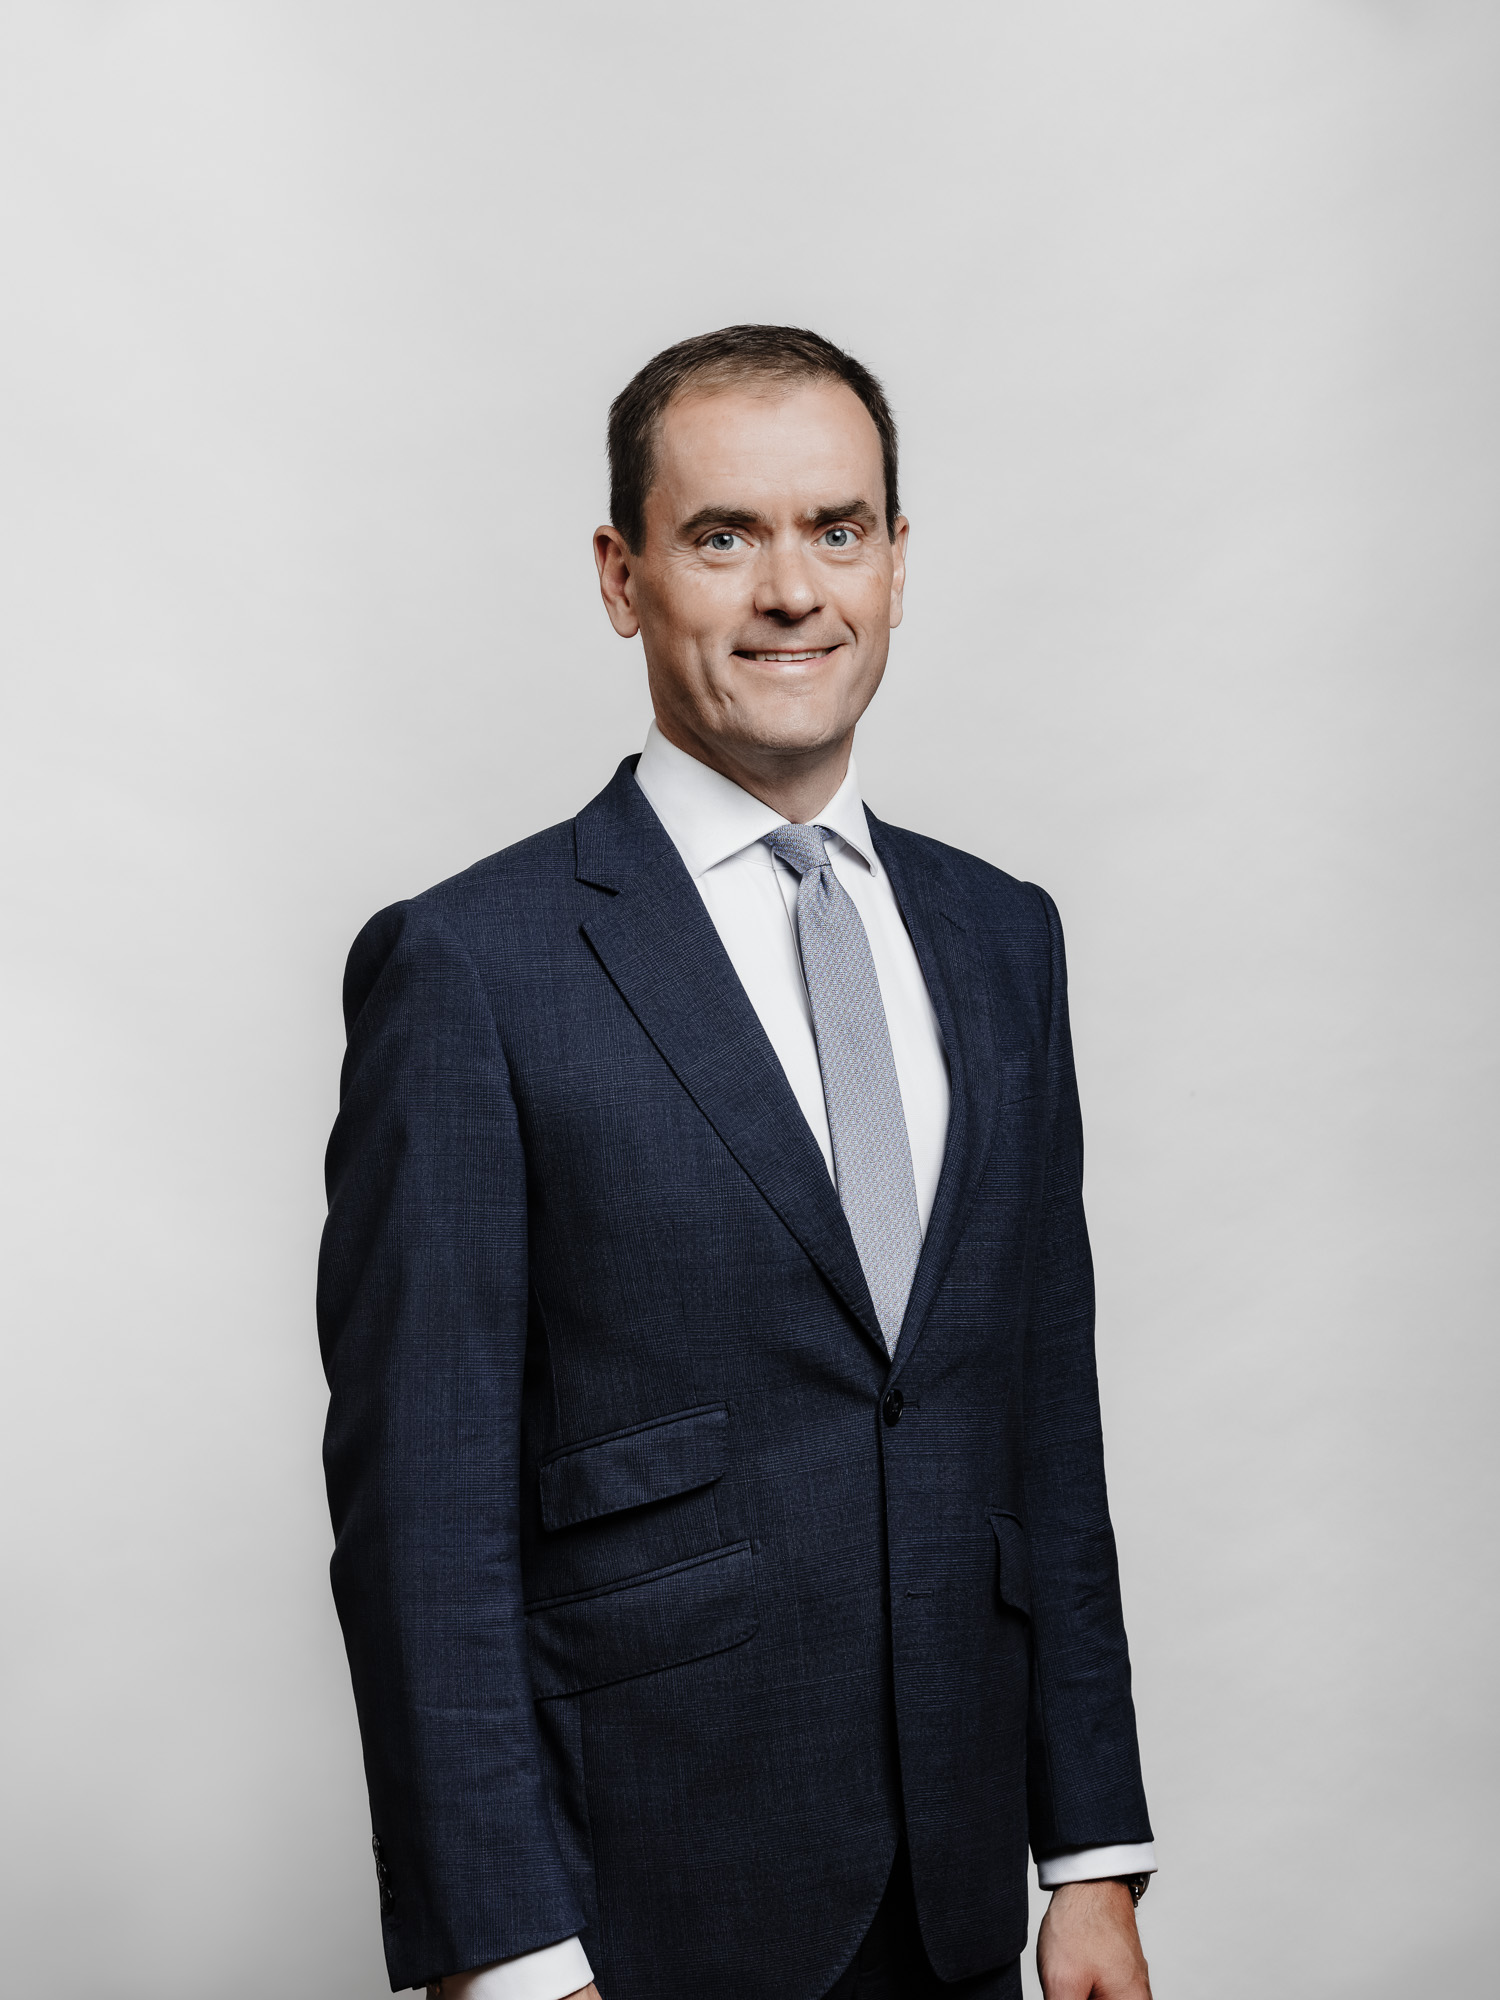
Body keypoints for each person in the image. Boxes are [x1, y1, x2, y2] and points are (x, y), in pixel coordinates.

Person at [318, 326, 1155, 2000]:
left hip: (966, 1904)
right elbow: (422, 1512)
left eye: (836, 530)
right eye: (724, 536)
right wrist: (507, 1955)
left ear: (897, 565)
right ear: (621, 578)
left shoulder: (1004, 940)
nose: (792, 590)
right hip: (640, 1910)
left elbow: (1039, 1425)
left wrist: (1090, 1861)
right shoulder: (472, 967)